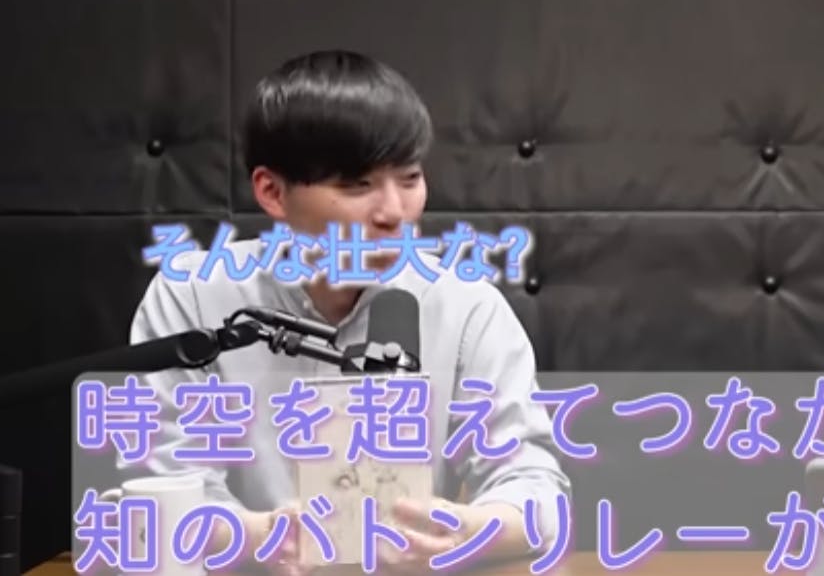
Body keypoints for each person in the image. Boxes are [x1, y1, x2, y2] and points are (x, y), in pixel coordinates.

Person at [119, 50, 570, 574]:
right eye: (357, 185)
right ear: (272, 191)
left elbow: (537, 489)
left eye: (410, 178)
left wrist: (469, 530)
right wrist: (260, 536)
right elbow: (167, 485)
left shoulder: (465, 304)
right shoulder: (193, 296)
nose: (394, 212)